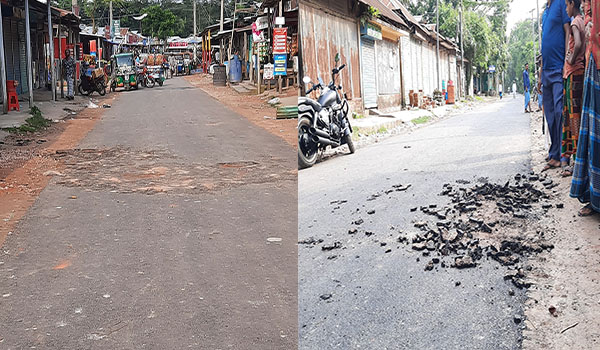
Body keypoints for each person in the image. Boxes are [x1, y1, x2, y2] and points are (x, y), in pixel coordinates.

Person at [570, 0, 600, 216]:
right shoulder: (585, 12)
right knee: (591, 134)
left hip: (596, 63)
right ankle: (593, 195)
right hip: (594, 61)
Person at [541, 0, 571, 171]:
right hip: (546, 70)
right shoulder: (545, 10)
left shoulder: (561, 3)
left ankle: (563, 155)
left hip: (559, 67)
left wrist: (566, 61)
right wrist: (540, 75)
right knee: (550, 114)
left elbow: (567, 31)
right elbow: (544, 43)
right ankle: (554, 155)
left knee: (560, 112)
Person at [561, 0, 586, 177]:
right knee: (573, 116)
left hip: (574, 72)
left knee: (573, 116)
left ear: (572, 3)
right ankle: (575, 160)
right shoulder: (582, 20)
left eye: (566, 5)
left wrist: (570, 60)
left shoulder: (576, 22)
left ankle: (577, 162)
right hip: (577, 72)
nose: (565, 8)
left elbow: (577, 44)